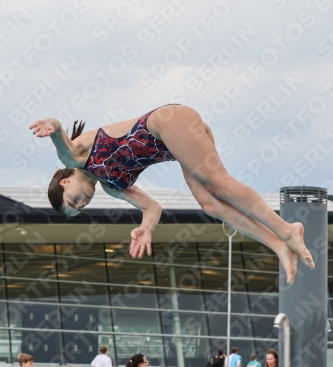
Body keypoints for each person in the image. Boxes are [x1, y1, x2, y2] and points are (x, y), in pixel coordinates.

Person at [30, 104, 315, 285]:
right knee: (210, 204)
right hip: (173, 146)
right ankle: (278, 244)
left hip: (168, 122)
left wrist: (49, 124)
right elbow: (152, 207)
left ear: (65, 182)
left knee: (217, 183)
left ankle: (287, 229)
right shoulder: (111, 185)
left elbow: (57, 131)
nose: (83, 203)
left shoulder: (77, 154)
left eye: (74, 201)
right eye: (80, 209)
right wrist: (145, 228)